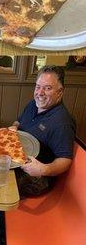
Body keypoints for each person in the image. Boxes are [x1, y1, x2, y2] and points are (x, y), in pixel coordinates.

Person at [10, 65, 76, 197]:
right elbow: (19, 121)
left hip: (36, 177)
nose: (40, 93)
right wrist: (14, 127)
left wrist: (43, 169)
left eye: (47, 88)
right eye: (38, 86)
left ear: (60, 92)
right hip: (16, 159)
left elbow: (65, 160)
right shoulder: (33, 104)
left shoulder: (62, 123)